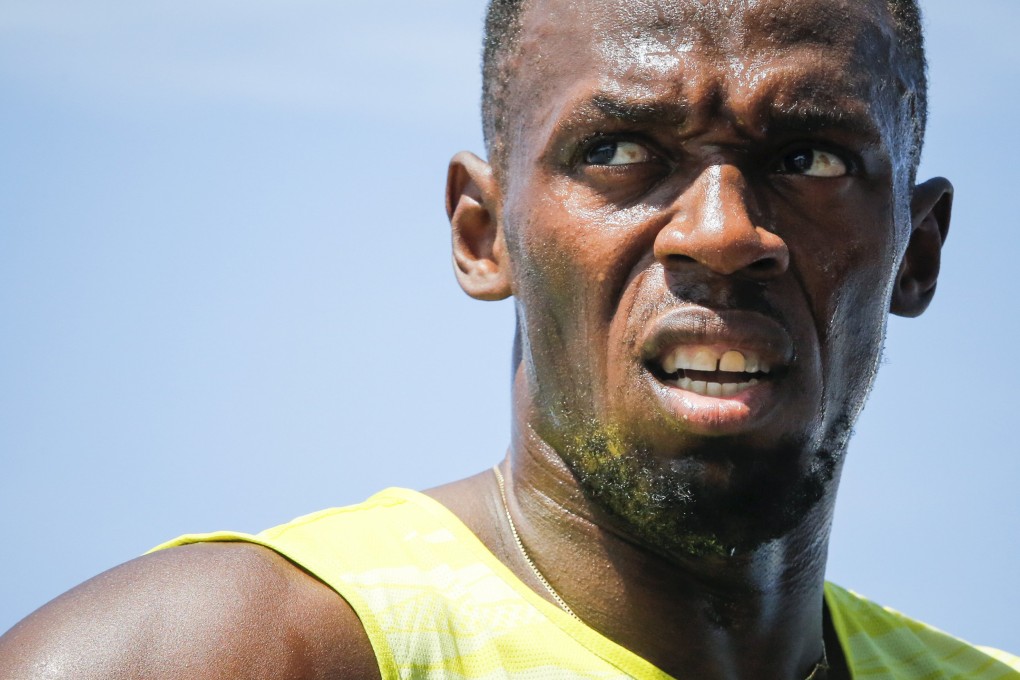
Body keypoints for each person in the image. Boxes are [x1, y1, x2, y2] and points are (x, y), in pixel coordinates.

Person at [0, 0, 1016, 677]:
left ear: (918, 251)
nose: (723, 231)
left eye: (811, 156)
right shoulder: (210, 658)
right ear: (483, 235)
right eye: (617, 150)